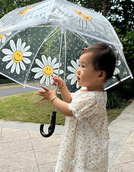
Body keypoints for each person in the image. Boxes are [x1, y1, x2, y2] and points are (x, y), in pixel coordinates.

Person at [37, 42, 119, 172]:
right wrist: (62, 87)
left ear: (100, 75)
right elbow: (70, 100)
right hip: (78, 142)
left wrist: (53, 98)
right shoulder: (86, 91)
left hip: (87, 149)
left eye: (83, 66)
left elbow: (70, 110)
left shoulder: (94, 98)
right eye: (79, 65)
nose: (78, 70)